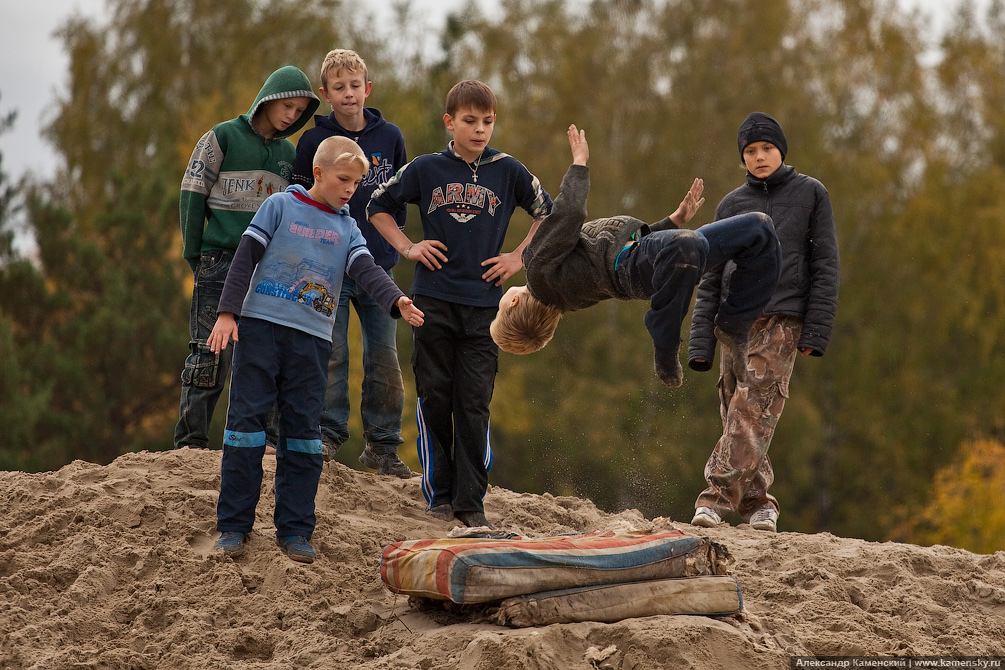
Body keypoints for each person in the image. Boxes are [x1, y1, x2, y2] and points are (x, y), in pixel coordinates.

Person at [209, 136, 425, 563]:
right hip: (260, 330)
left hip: (311, 342)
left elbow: (367, 270)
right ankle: (233, 527)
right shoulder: (280, 207)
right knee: (246, 428)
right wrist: (227, 313)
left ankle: (294, 531)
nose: (349, 189)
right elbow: (244, 259)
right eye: (343, 179)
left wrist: (396, 300)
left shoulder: (348, 228)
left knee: (304, 436)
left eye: (357, 183)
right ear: (319, 173)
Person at [367, 80, 553, 529]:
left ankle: (472, 503)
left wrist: (518, 256)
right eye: (470, 121)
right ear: (450, 122)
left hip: (485, 307)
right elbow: (377, 205)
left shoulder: (508, 170)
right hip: (432, 300)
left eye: (488, 122)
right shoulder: (427, 168)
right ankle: (440, 493)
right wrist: (408, 247)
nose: (480, 130)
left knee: (474, 403)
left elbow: (550, 212)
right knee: (435, 396)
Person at [492, 122, 780, 389]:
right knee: (689, 245)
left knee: (760, 228)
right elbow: (569, 213)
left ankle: (733, 323)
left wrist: (673, 220)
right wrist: (579, 163)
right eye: (500, 307)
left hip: (650, 258)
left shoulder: (564, 294)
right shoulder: (538, 269)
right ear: (513, 301)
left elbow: (629, 246)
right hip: (638, 266)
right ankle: (665, 342)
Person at [687, 112, 840, 533]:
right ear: (742, 159)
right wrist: (700, 343)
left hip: (783, 320)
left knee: (750, 411)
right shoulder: (731, 205)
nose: (759, 157)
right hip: (734, 324)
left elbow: (826, 265)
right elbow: (712, 277)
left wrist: (816, 330)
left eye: (767, 149)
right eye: (750, 151)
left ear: (781, 151)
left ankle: (715, 499)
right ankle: (758, 504)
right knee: (738, 413)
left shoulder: (811, 194)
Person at [175, 65, 320, 453]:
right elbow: (192, 194)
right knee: (209, 352)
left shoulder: (291, 156)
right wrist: (195, 254)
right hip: (219, 260)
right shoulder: (222, 136)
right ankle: (190, 441)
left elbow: (297, 215)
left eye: (299, 110)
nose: (291, 115)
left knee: (265, 357)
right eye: (286, 105)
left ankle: (262, 440)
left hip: (269, 271)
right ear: (268, 99)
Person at [291, 49, 411, 477]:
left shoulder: (390, 137)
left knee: (385, 358)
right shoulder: (310, 142)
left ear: (367, 88)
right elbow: (300, 202)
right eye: (338, 88)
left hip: (377, 266)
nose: (348, 94)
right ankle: (326, 437)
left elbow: (397, 200)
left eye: (355, 86)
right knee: (332, 355)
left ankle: (382, 446)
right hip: (328, 268)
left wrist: (395, 246)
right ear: (325, 94)